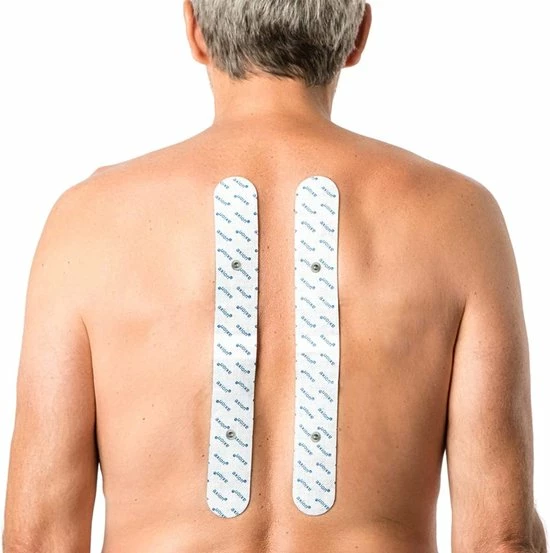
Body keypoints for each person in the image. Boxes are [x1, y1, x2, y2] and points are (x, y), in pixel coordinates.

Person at [3, 0, 547, 551]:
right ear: (358, 34)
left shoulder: (89, 221)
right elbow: (500, 540)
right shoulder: (457, 219)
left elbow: (39, 540)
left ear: (194, 29)